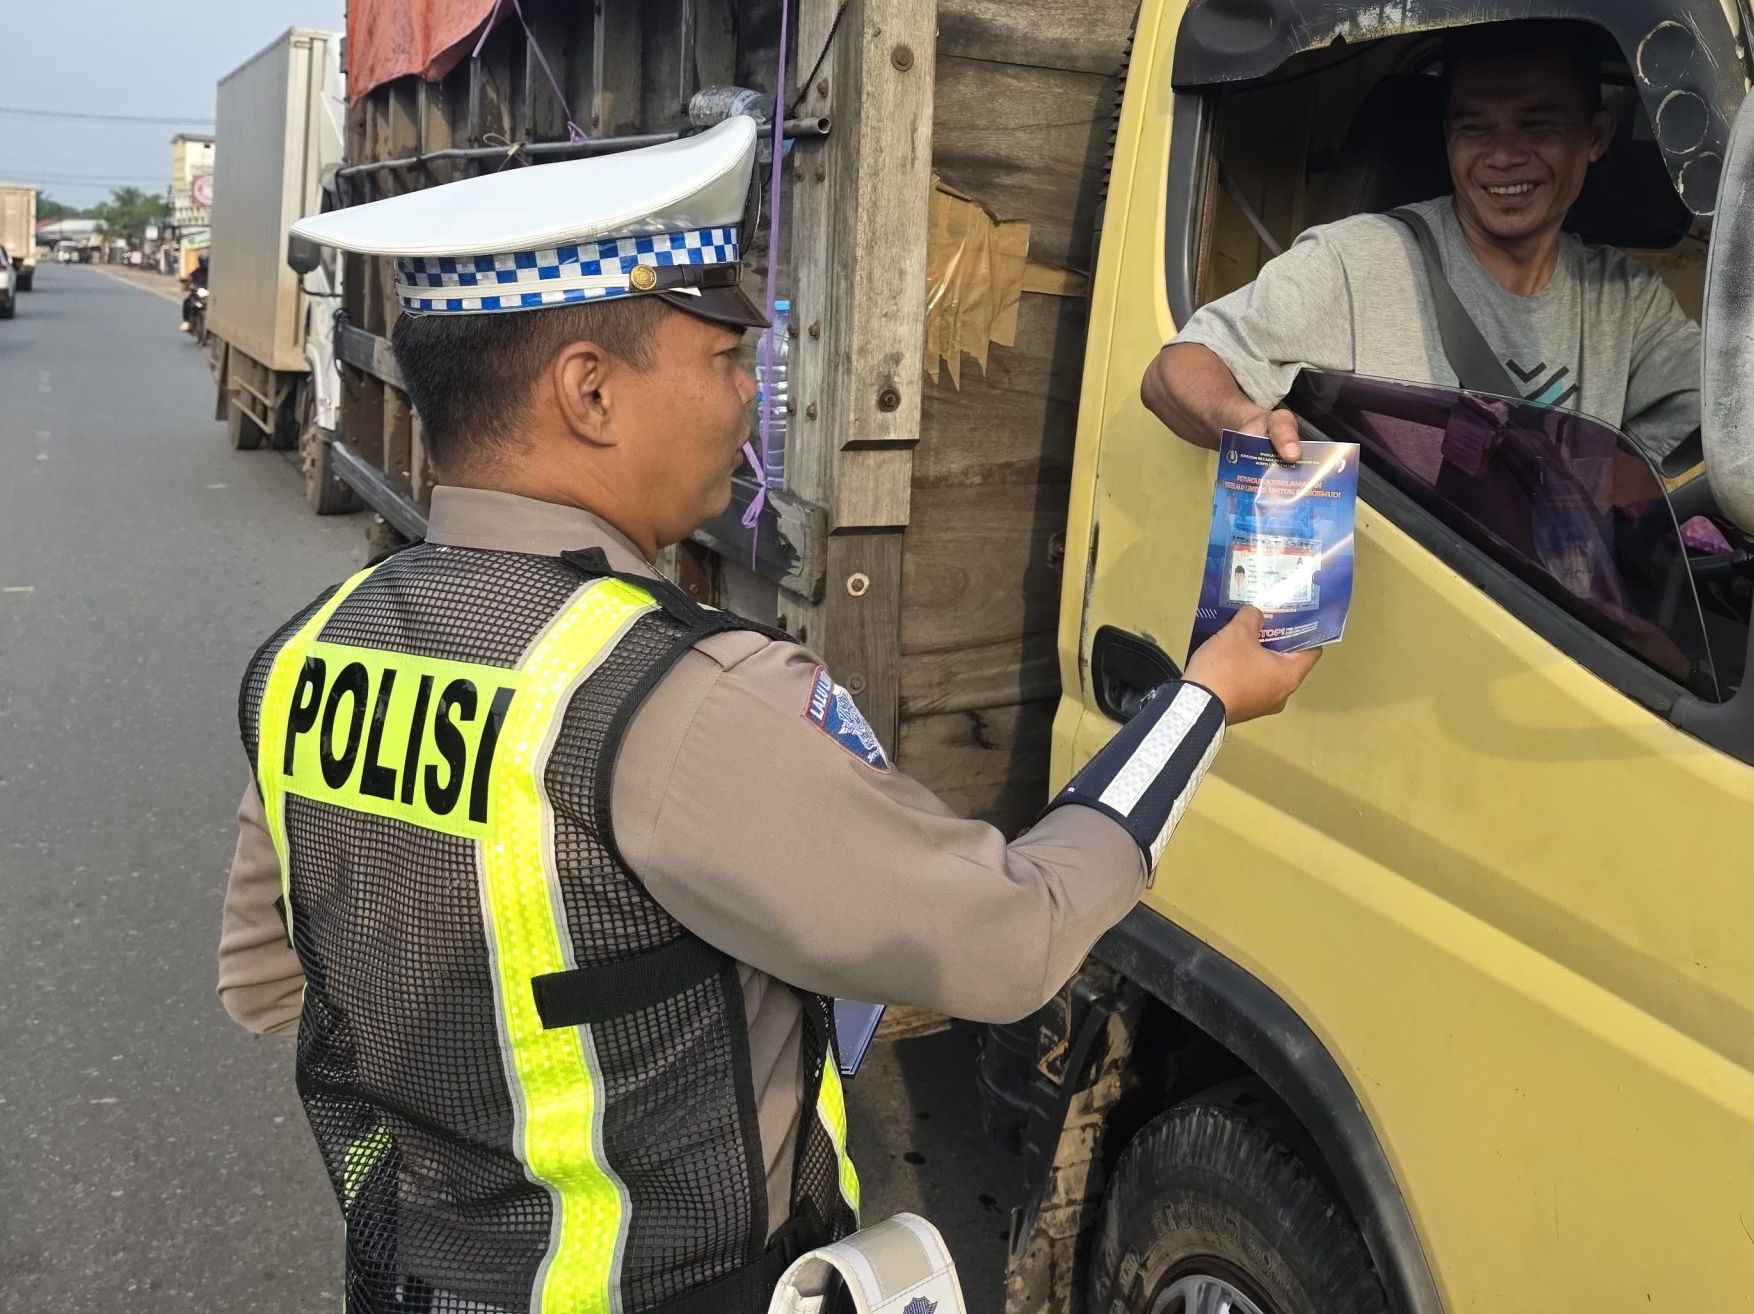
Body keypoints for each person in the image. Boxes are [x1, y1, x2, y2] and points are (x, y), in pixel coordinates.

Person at [217, 115, 1314, 1314]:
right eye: (725, 358)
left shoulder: (311, 655)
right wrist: (1203, 702)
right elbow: (1013, 937)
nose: (749, 402)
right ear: (590, 392)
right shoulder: (676, 695)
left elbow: (273, 986)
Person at [1143, 22, 1701, 469]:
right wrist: (1244, 421)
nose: (1502, 156)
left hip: (1543, 586)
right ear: (1448, 135)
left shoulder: (1625, 299)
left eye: (1537, 126)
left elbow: (1721, 414)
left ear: (1595, 137)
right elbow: (1174, 371)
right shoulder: (1356, 260)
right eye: (1474, 128)